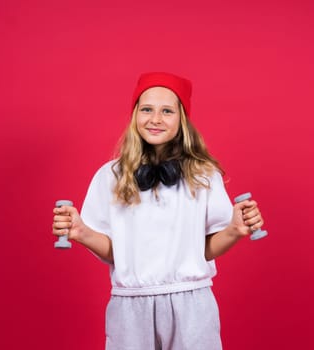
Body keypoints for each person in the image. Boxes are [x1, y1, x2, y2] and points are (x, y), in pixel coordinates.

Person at [52, 72, 265, 350]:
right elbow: (116, 253)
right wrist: (81, 232)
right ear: (134, 115)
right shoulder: (110, 176)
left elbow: (205, 249)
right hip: (130, 305)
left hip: (191, 303)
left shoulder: (203, 175)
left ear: (182, 119)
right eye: (147, 109)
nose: (155, 119)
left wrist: (234, 230)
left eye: (167, 111)